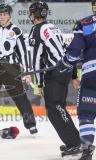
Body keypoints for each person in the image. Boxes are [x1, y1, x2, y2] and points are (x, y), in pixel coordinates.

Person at [28, 0, 81, 158]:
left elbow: (36, 60)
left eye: (31, 13)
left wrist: (39, 83)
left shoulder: (36, 30)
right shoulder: (54, 28)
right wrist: (73, 75)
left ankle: (76, 143)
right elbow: (65, 51)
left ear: (33, 15)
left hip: (54, 73)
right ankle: (72, 142)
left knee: (56, 107)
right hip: (64, 71)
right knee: (54, 109)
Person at [0, 3, 37, 134]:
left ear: (9, 15)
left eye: (5, 14)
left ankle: (31, 124)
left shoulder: (16, 31)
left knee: (20, 97)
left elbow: (23, 53)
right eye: (0, 14)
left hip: (11, 68)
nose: (2, 17)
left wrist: (27, 72)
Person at [58, 0, 96, 159]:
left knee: (86, 113)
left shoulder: (85, 23)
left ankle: (87, 149)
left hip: (92, 73)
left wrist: (65, 63)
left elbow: (74, 51)